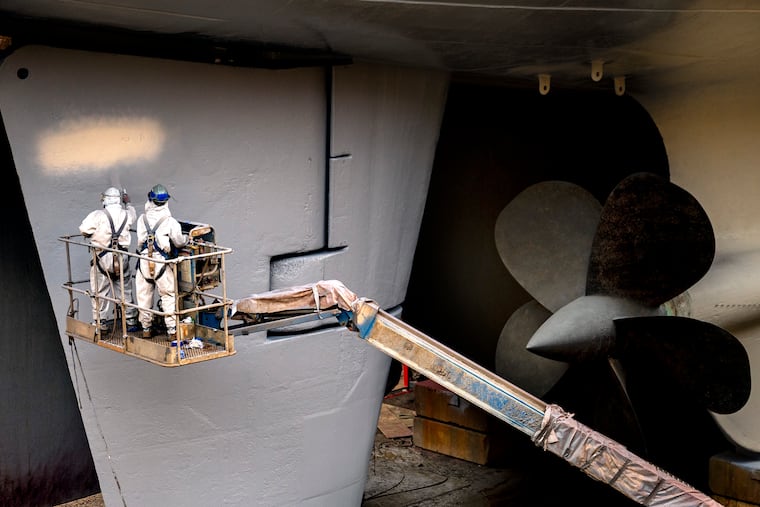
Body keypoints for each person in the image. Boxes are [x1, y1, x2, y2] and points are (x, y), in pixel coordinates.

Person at [79, 186, 139, 332]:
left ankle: (100, 323)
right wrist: (128, 202)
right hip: (121, 258)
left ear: (105, 199)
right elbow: (133, 215)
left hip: (102, 259)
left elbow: (84, 229)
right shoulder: (127, 214)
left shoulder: (97, 215)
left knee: (100, 292)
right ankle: (131, 320)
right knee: (125, 290)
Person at [135, 184, 188, 339]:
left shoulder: (142, 219)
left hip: (144, 261)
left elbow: (139, 240)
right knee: (168, 295)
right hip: (160, 264)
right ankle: (172, 331)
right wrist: (187, 239)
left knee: (143, 296)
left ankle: (146, 328)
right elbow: (178, 242)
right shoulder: (169, 221)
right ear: (165, 202)